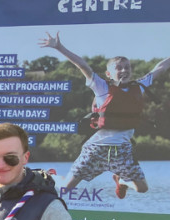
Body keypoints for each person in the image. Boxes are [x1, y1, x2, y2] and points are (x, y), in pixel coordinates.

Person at [39, 31, 170, 198]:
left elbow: (161, 67)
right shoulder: (102, 87)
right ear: (109, 74)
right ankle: (49, 175)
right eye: (119, 68)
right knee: (66, 187)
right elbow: (83, 66)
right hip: (95, 149)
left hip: (122, 150)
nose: (124, 70)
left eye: (127, 67)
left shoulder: (140, 85)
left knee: (142, 188)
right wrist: (59, 47)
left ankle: (122, 181)